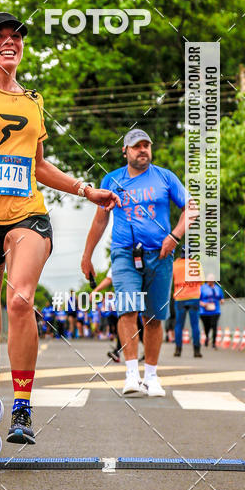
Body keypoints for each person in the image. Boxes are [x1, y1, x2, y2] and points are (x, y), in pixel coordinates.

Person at [0, 11, 120, 457]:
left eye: (15, 37)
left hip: (26, 215)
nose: (8, 42)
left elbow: (38, 165)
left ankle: (23, 408)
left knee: (20, 300)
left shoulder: (33, 102)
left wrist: (85, 189)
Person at [81, 128, 196, 397]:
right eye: (136, 146)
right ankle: (132, 374)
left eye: (146, 145)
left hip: (161, 254)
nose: (142, 149)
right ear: (126, 151)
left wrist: (174, 236)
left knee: (154, 316)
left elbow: (191, 208)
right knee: (128, 309)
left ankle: (152, 377)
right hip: (124, 253)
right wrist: (87, 256)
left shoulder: (165, 177)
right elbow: (100, 220)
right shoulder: (111, 180)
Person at [172, 248, 203, 358]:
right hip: (194, 297)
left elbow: (171, 278)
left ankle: (178, 350)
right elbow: (201, 281)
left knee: (179, 325)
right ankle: (197, 351)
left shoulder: (175, 264)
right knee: (195, 325)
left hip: (180, 297)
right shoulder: (196, 264)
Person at [199, 276, 224, 348]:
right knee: (207, 326)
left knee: (214, 325)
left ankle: (214, 343)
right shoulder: (202, 288)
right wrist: (203, 304)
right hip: (204, 311)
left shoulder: (217, 288)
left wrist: (222, 301)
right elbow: (198, 299)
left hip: (215, 310)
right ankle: (207, 337)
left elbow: (221, 298)